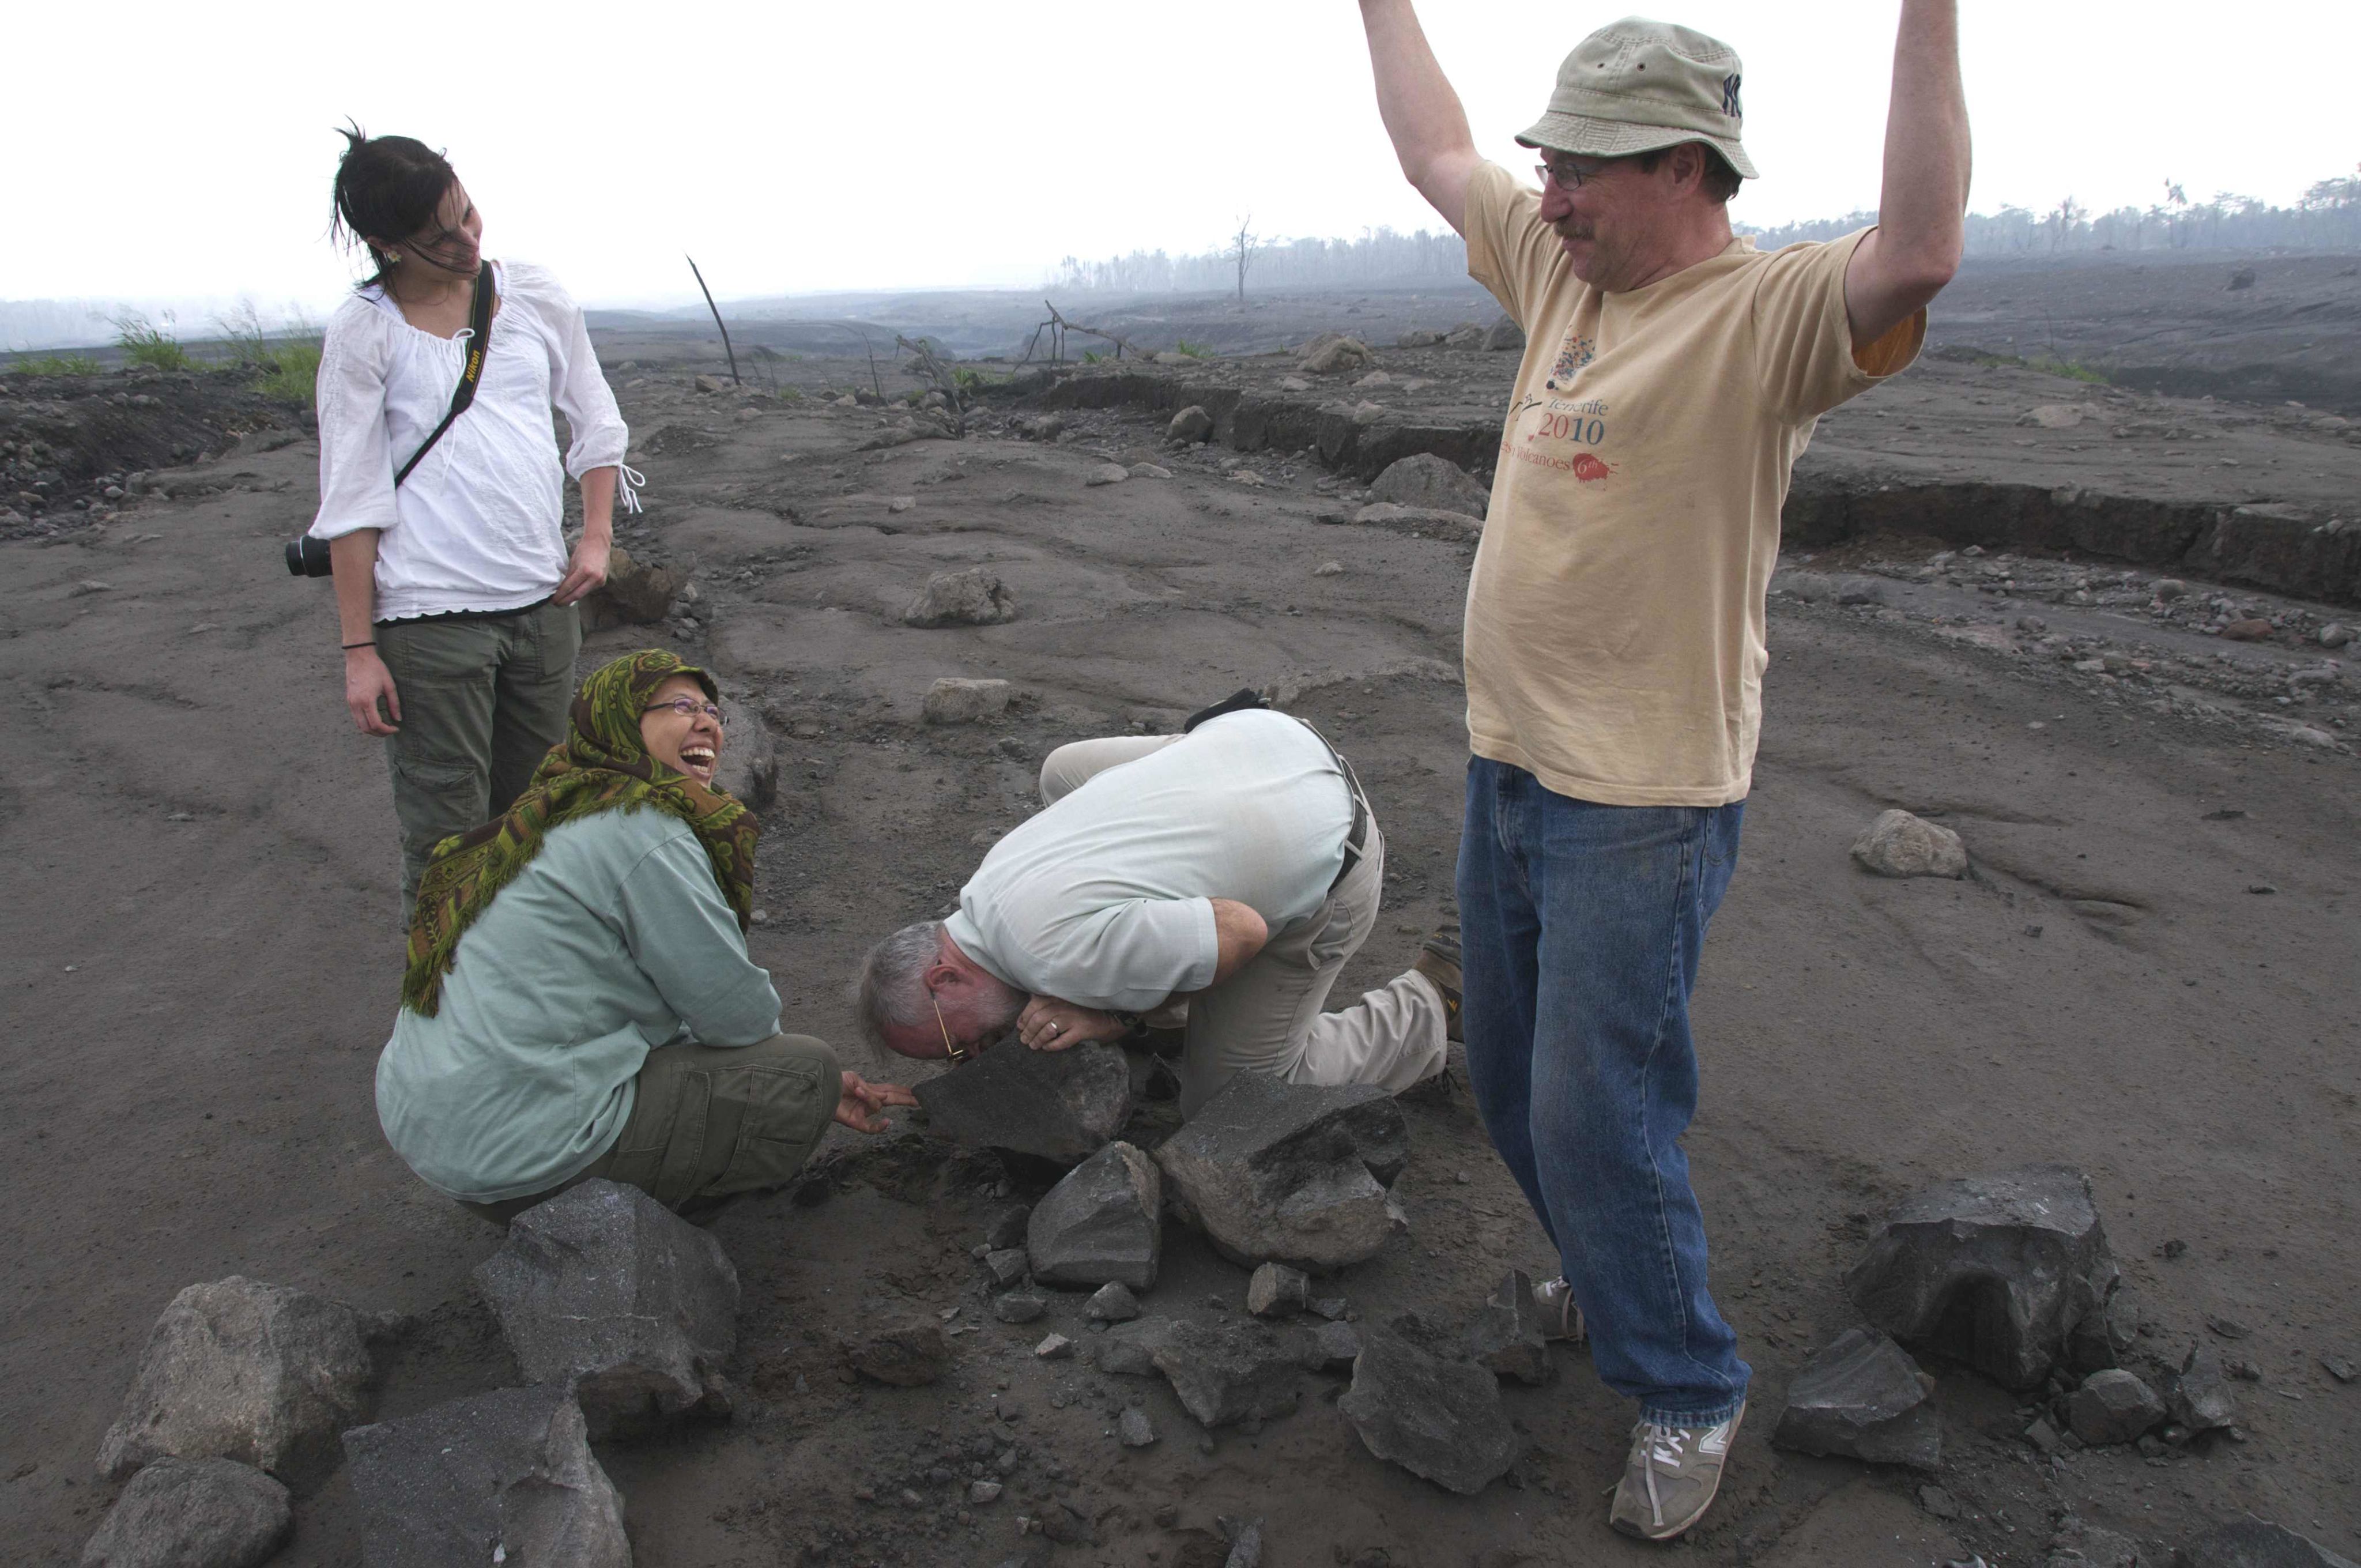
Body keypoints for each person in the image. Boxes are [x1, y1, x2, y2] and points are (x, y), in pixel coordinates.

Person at [1355, 2, 1968, 1541]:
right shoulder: (1565, 274)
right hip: (1507, 768)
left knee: (1595, 1114)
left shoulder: (1764, 318)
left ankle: (1688, 1386)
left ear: (1685, 168)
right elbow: (1435, 149)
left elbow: (1920, 248)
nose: (1544, 195)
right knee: (1507, 1082)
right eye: (1546, 166)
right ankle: (1617, 1273)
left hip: (1641, 803)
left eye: (1579, 171)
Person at [375, 650, 915, 1222]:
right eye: (681, 706)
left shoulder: (552, 804)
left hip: (435, 1133)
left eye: (714, 711)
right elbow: (739, 1017)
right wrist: (787, 1080)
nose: (708, 722)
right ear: (621, 720)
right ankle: (633, 1220)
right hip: (523, 1160)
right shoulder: (642, 827)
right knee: (807, 1073)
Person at [307, 127, 640, 910]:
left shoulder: (533, 295)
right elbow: (350, 498)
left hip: (540, 606)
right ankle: (449, 1018)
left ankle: (537, 992)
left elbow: (595, 419)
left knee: (544, 819)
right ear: (385, 245)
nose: (464, 243)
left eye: (468, 217)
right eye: (436, 238)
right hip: (430, 623)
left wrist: (596, 534)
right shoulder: (363, 332)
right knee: (448, 841)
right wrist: (360, 650)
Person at [854, 703, 1453, 1115]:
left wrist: (1119, 1018)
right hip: (1264, 738)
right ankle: (1174, 971)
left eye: (957, 1047)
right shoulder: (987, 884)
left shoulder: (1052, 954)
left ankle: (1439, 996)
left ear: (945, 976)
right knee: (1063, 773)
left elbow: (1242, 930)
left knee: (1227, 1100)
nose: (976, 1055)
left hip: (1337, 848)